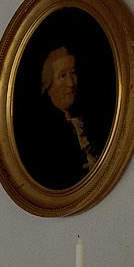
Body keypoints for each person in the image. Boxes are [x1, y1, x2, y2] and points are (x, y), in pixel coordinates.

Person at [17, 45, 102, 190]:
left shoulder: (89, 122)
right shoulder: (42, 135)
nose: (71, 83)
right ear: (49, 85)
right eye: (62, 76)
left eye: (73, 73)